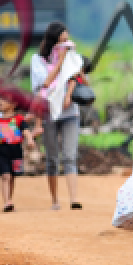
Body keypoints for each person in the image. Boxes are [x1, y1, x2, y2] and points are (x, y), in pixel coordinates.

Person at [31, 21, 85, 210]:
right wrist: (61, 61)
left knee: (70, 156)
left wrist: (76, 67)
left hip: (70, 111)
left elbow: (78, 79)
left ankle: (74, 199)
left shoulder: (72, 56)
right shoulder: (37, 60)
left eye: (67, 41)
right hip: (48, 112)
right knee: (53, 158)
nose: (65, 44)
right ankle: (55, 200)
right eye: (62, 41)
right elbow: (43, 84)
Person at [0, 96, 37, 212]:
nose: (0, 101)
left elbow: (26, 131)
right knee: (5, 176)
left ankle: (9, 200)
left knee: (12, 177)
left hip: (16, 152)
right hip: (0, 151)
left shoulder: (18, 119)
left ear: (14, 104)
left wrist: (29, 139)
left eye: (4, 100)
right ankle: (6, 201)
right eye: (0, 99)